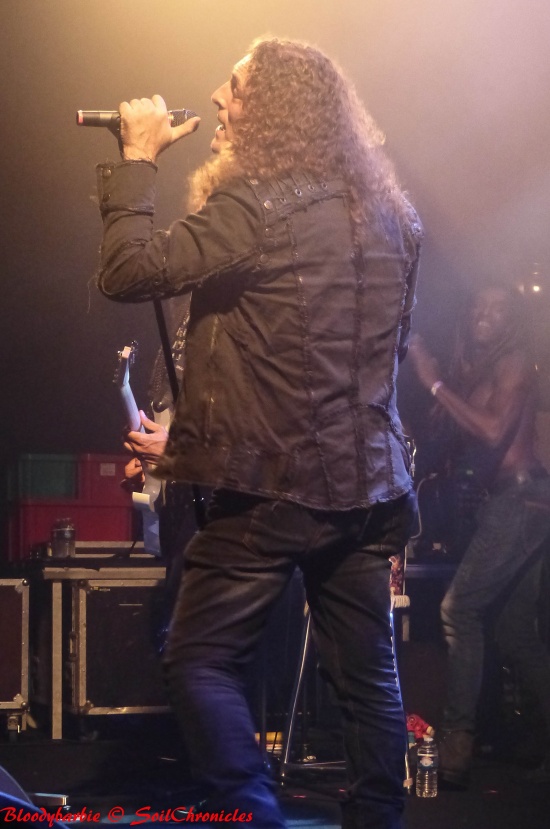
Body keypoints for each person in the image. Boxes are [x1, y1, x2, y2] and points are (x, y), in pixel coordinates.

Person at [95, 37, 422, 829]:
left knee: (199, 657)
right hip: (368, 488)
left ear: (275, 109)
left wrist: (136, 160)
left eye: (235, 87)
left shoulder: (256, 207)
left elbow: (127, 271)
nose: (216, 97)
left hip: (271, 487)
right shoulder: (396, 217)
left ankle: (254, 813)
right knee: (368, 681)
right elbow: (377, 357)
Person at [409, 285, 550, 787]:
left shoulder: (514, 362)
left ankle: (457, 745)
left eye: (498, 309)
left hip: (522, 500)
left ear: (512, 320)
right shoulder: (480, 368)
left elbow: (492, 431)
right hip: (514, 503)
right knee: (514, 633)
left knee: (459, 610)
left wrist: (432, 382)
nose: (484, 315)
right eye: (478, 307)